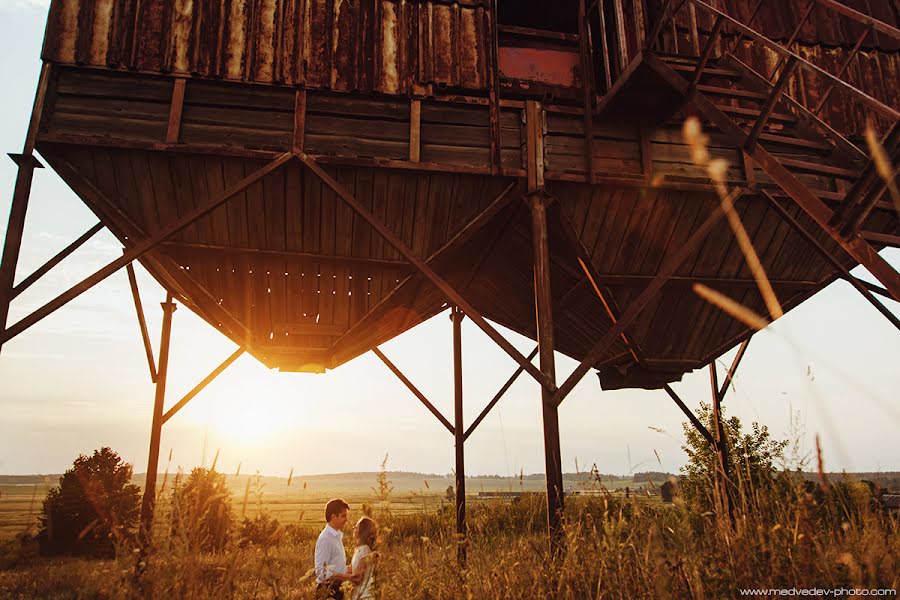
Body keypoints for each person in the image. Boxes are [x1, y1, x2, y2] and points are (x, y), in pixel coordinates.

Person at [315, 498, 352, 599]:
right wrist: (347, 577)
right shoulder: (326, 539)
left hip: (336, 590)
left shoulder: (335, 536)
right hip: (327, 591)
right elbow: (321, 571)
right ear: (333, 517)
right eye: (343, 516)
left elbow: (337, 567)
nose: (346, 519)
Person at [348, 517, 378, 600]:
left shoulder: (365, 550)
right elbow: (351, 568)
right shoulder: (359, 549)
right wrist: (331, 570)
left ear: (362, 531)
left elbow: (357, 577)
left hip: (364, 595)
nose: (353, 528)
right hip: (358, 594)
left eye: (356, 527)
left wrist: (337, 575)